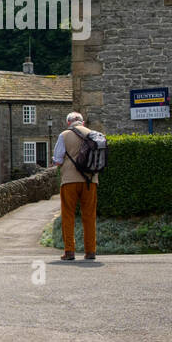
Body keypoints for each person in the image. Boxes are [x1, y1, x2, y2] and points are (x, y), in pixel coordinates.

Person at [53, 110, 98, 261]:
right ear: (83, 122)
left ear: (68, 122)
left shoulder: (64, 135)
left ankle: (69, 251)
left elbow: (58, 160)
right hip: (90, 180)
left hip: (69, 181)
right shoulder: (93, 134)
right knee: (89, 216)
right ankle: (90, 251)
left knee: (68, 216)